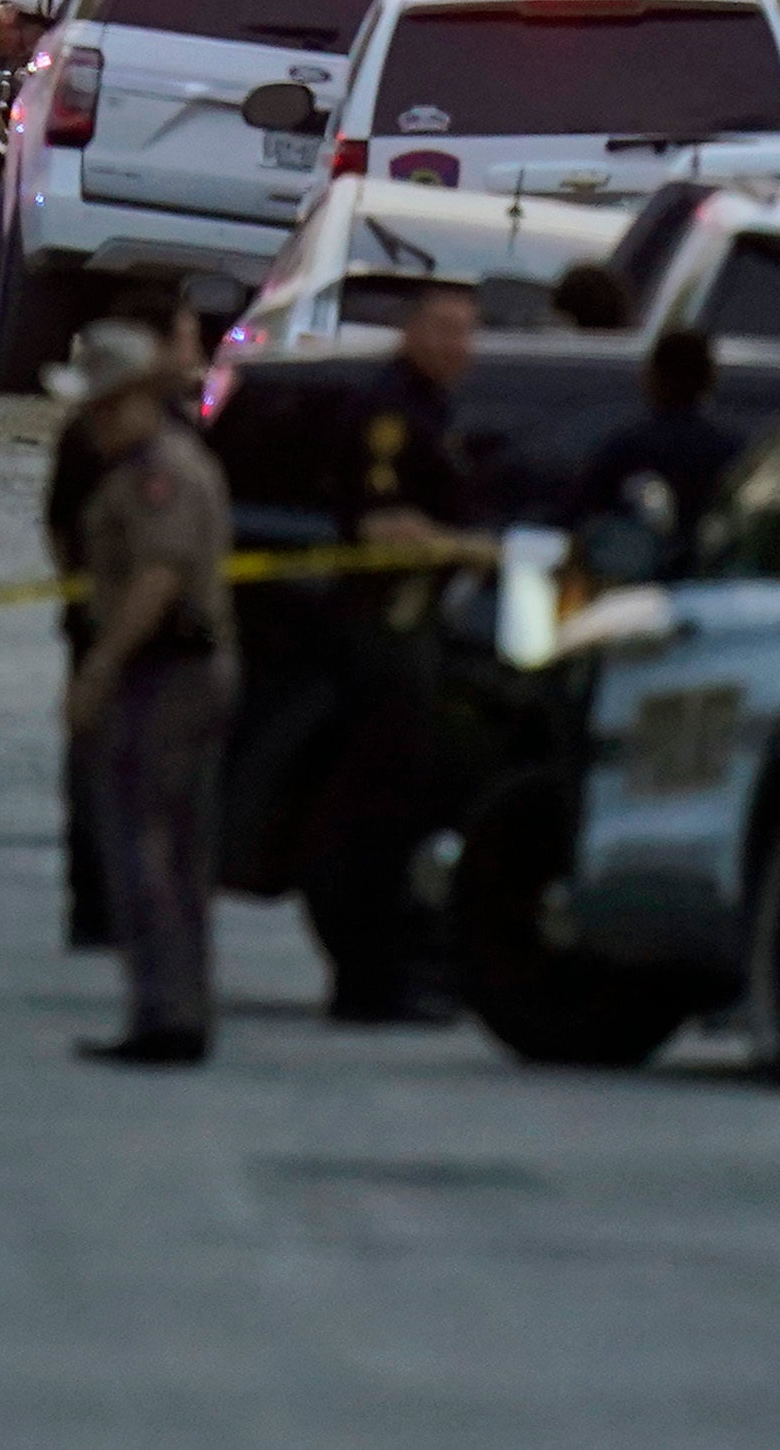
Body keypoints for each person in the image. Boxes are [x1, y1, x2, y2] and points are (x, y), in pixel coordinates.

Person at [51, 318, 239, 1067]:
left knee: (144, 847)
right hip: (180, 671)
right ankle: (175, 1006)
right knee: (176, 850)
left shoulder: (156, 474)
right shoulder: (153, 465)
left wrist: (99, 665)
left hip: (167, 675)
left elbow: (157, 577)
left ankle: (166, 1009)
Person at [307, 279, 487, 1024]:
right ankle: (368, 983)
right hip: (382, 632)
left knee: (396, 813)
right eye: (442, 329)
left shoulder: (430, 408)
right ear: (410, 329)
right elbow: (382, 527)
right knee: (375, 818)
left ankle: (382, 974)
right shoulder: (390, 412)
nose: (455, 346)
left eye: (465, 332)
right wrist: (475, 548)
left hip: (411, 632)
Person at [47, 284, 212, 950]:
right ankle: (104, 904)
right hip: (121, 625)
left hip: (146, 632)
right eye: (186, 334)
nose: (195, 349)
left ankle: (118, 907)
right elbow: (68, 528)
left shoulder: (167, 433)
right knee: (107, 772)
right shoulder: (130, 437)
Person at [572, 327, 739, 564]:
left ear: (652, 377)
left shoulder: (628, 447)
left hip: (632, 583)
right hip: (710, 577)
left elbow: (579, 509)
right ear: (709, 380)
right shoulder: (730, 451)